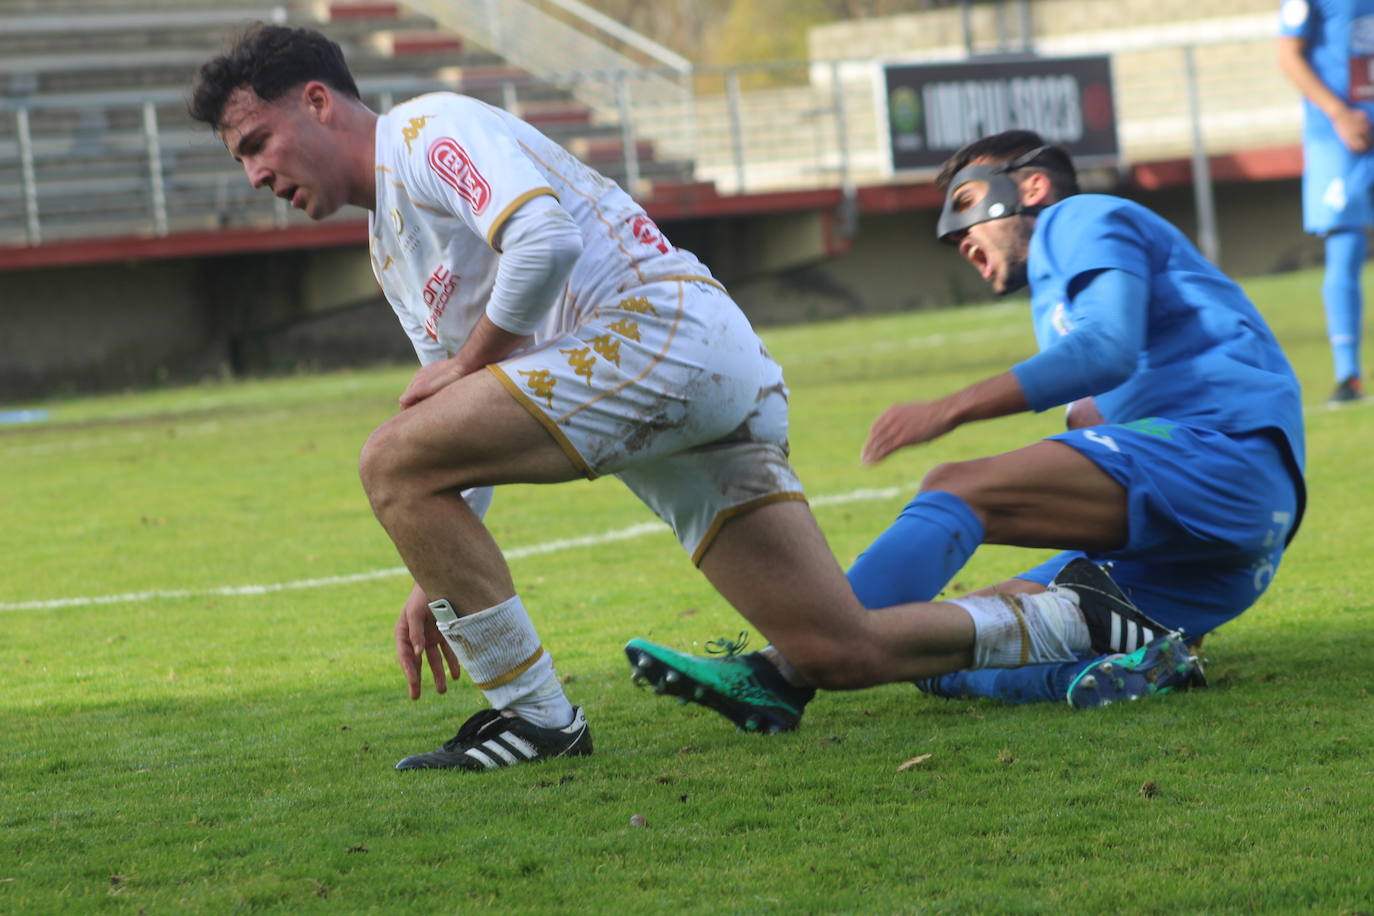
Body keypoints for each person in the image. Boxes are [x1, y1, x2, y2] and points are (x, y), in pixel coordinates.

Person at [626, 130, 1306, 720]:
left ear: (1031, 187)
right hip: (1223, 552)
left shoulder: (1081, 217)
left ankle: (783, 667)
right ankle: (1109, 674)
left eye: (966, 204)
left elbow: (1107, 351)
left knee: (958, 486)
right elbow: (1100, 406)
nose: (956, 236)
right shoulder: (1062, 293)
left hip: (1226, 462)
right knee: (931, 643)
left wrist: (948, 409)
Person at [1277, 0, 1374, 404]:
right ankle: (1348, 376)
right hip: (1341, 135)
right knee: (1346, 244)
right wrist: (1338, 113)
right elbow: (1287, 53)